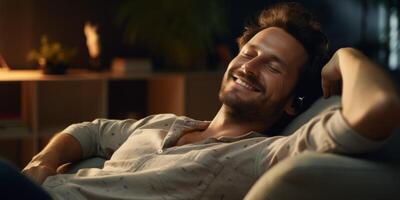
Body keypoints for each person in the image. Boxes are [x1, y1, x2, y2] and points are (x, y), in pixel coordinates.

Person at [16, 2, 400, 200]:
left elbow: (378, 107)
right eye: (249, 52)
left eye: (273, 66)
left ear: (293, 104)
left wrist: (347, 57)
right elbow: (91, 131)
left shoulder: (264, 155)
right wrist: (41, 162)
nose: (249, 67)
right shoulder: (166, 124)